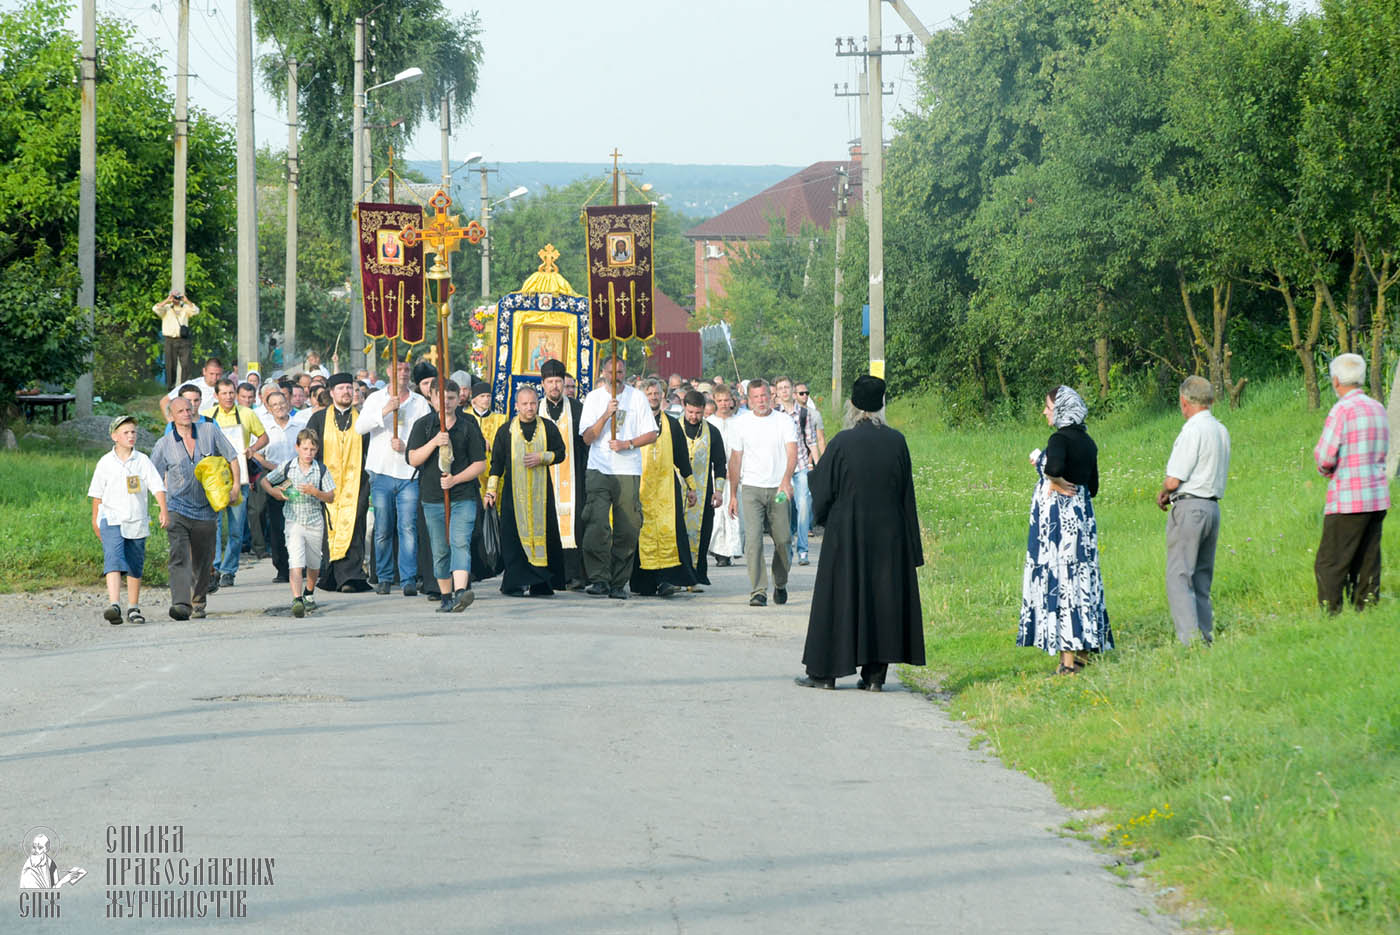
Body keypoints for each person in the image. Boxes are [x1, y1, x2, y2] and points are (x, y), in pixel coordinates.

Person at [798, 376, 925, 690]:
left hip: (848, 532)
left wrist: (822, 513)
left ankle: (825, 674)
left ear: (852, 406)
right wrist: (911, 545)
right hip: (889, 534)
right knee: (882, 599)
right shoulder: (897, 441)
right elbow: (906, 494)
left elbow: (822, 489)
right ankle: (874, 677)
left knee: (839, 597)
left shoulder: (842, 442)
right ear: (881, 405)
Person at [1018, 385, 1112, 675]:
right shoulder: (1088, 441)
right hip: (1083, 522)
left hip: (1060, 525)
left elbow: (1054, 467)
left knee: (1062, 582)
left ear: (1060, 409)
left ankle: (1067, 663)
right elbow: (1092, 487)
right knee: (1082, 579)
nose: (1045, 412)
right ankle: (1083, 654)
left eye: (1048, 407)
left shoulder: (1059, 438)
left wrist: (1054, 480)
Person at [1156, 375, 1231, 645]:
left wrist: (1164, 492)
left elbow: (1174, 479)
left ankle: (1189, 641)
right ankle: (1205, 634)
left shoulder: (1192, 430)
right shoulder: (1220, 430)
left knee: (1179, 575)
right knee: (1201, 577)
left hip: (1190, 506)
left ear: (1184, 401)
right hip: (1212, 507)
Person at [1313, 353, 1390, 613]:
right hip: (1377, 496)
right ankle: (1366, 610)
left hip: (1348, 498)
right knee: (1367, 559)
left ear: (1336, 380)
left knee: (1330, 562)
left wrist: (1325, 470)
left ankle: (1331, 614)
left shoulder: (1341, 410)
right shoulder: (1378, 408)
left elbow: (1325, 456)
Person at [150, 397, 239, 620]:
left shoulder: (209, 431)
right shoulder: (164, 444)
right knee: (179, 555)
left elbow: (232, 457)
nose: (186, 414)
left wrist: (235, 486)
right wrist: (162, 507)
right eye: (180, 411)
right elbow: (153, 477)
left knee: (203, 559)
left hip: (207, 508)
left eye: (189, 409)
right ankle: (181, 604)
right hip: (177, 507)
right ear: (171, 416)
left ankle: (198, 602)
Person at [579, 353, 659, 599]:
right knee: (597, 524)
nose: (616, 376)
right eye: (611, 372)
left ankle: (618, 581)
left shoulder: (637, 398)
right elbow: (587, 438)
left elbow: (652, 433)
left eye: (620, 372)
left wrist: (628, 444)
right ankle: (599, 578)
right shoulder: (593, 398)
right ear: (603, 373)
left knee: (628, 527)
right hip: (599, 468)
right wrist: (605, 415)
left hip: (627, 469)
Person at [408, 379, 488, 612]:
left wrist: (455, 479)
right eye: (441, 399)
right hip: (433, 496)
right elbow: (413, 459)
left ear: (458, 399)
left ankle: (461, 591)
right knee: (440, 548)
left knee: (460, 541)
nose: (446, 403)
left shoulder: (468, 425)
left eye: (451, 398)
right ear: (432, 398)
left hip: (463, 495)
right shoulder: (423, 426)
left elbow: (479, 464)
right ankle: (445, 596)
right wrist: (434, 442)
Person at [356, 360, 431, 597]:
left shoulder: (419, 402)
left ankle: (408, 578)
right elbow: (360, 427)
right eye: (398, 369)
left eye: (407, 370)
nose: (403, 373)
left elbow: (427, 433)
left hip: (408, 473)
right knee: (383, 528)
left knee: (407, 527)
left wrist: (407, 446)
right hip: (381, 472)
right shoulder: (375, 399)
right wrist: (386, 410)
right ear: (389, 371)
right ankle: (384, 576)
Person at [484, 385, 567, 596]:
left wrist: (542, 457)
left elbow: (561, 453)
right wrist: (491, 490)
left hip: (542, 494)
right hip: (513, 495)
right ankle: (515, 583)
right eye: (525, 404)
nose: (529, 408)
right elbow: (497, 464)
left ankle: (541, 584)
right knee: (513, 538)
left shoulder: (548, 427)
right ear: (516, 406)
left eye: (533, 403)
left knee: (544, 536)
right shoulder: (506, 431)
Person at [88, 415, 168, 625]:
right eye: (126, 433)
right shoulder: (105, 462)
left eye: (133, 432)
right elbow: (97, 494)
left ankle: (133, 607)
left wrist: (163, 509)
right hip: (111, 518)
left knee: (134, 563)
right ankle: (114, 604)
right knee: (113, 559)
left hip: (136, 518)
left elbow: (157, 486)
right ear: (115, 436)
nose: (131, 436)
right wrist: (95, 520)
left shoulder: (142, 460)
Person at [728, 379, 797, 607]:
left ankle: (780, 582)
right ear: (748, 400)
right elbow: (735, 459)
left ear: (771, 396)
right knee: (753, 541)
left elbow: (792, 453)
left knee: (783, 540)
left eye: (764, 396)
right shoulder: (740, 423)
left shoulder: (784, 421)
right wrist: (733, 495)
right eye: (756, 397)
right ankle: (758, 590)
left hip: (778, 489)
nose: (761, 401)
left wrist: (786, 480)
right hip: (751, 489)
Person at [630, 378, 698, 597]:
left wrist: (691, 486)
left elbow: (682, 457)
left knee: (670, 533)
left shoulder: (672, 424)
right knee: (643, 533)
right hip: (641, 488)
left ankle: (667, 580)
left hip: (666, 490)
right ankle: (645, 582)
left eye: (656, 393)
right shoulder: (633, 423)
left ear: (663, 396)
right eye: (649, 394)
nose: (653, 397)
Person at [305, 373, 371, 593]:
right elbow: (309, 449)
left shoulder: (363, 419)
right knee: (330, 528)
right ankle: (333, 575)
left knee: (355, 525)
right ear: (331, 393)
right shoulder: (319, 419)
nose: (346, 392)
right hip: (327, 484)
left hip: (357, 483)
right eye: (341, 388)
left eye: (349, 388)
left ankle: (352, 576)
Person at [261, 429, 336, 617]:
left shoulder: (321, 470)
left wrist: (315, 492)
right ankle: (297, 599)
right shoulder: (288, 467)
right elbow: (265, 481)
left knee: (314, 562)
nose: (308, 453)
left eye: (312, 449)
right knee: (295, 560)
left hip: (314, 520)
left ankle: (309, 592)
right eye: (305, 449)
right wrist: (276, 493)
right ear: (297, 448)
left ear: (317, 450)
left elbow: (331, 496)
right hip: (293, 520)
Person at [201, 378, 268, 588]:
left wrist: (252, 449)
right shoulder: (207, 416)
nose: (228, 397)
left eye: (231, 393)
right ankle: (214, 568)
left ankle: (229, 570)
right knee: (214, 527)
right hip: (216, 480)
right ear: (216, 395)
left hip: (241, 478)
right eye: (224, 393)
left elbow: (264, 437)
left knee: (237, 529)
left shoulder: (247, 414)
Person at [540, 358, 588, 588]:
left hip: (574, 477)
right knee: (547, 524)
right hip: (543, 479)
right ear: (543, 384)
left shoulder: (577, 409)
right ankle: (549, 575)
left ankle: (575, 575)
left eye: (558, 381)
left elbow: (585, 444)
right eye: (550, 382)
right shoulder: (535, 409)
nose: (555, 386)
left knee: (576, 525)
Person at [679, 389, 727, 586]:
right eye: (690, 412)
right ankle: (677, 575)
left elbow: (720, 463)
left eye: (698, 413)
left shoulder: (712, 432)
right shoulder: (674, 428)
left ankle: (697, 575)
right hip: (675, 490)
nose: (693, 417)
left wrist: (719, 491)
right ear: (684, 407)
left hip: (702, 491)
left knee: (702, 533)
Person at [250, 390, 297, 582]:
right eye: (274, 404)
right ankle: (282, 568)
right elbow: (255, 453)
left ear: (288, 403)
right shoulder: (264, 428)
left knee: (298, 523)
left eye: (282, 403)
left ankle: (300, 565)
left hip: (296, 478)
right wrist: (274, 468)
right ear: (268, 408)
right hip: (273, 477)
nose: (279, 407)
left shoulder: (299, 425)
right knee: (278, 525)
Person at [773, 375, 819, 566]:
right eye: (780, 388)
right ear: (776, 392)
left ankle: (803, 550)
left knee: (803, 505)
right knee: (783, 507)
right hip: (781, 470)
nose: (784, 391)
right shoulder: (774, 414)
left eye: (786, 387)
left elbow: (811, 441)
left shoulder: (804, 413)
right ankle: (786, 547)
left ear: (792, 389)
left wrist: (818, 467)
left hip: (800, 467)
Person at [464, 380, 506, 582]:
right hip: (472, 477)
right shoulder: (465, 417)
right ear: (473, 399)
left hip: (495, 475)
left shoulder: (500, 418)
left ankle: (496, 562)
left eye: (488, 396)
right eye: (482, 396)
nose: (486, 399)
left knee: (496, 520)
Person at [707, 388, 743, 567]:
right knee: (717, 514)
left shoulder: (740, 422)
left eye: (726, 400)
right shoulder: (709, 423)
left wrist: (736, 470)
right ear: (714, 400)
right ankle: (719, 551)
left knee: (733, 513)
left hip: (737, 475)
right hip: (716, 474)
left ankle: (732, 549)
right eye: (720, 400)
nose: (723, 404)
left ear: (732, 401)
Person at [155, 293, 199, 388]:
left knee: (186, 364)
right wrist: (167, 300)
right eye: (174, 297)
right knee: (170, 365)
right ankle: (171, 388)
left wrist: (186, 300)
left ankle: (185, 387)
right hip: (170, 339)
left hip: (184, 339)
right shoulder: (166, 308)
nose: (176, 299)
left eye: (178, 297)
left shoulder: (185, 308)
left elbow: (196, 311)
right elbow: (155, 309)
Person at [159, 357, 222, 421]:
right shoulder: (192, 385)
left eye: (218, 374)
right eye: (211, 374)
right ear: (204, 371)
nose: (214, 377)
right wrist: (171, 422)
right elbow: (164, 401)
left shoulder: (224, 387)